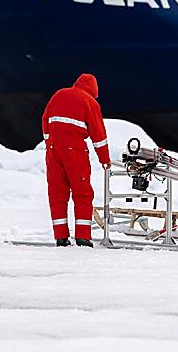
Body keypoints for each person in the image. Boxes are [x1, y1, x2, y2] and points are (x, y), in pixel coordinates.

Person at [41, 73, 111, 247]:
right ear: (93, 90)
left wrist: (50, 142)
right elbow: (98, 134)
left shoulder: (58, 94)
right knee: (82, 193)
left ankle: (61, 237)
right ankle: (82, 237)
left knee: (57, 193)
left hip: (53, 150)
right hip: (75, 150)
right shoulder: (89, 102)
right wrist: (105, 159)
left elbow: (45, 120)